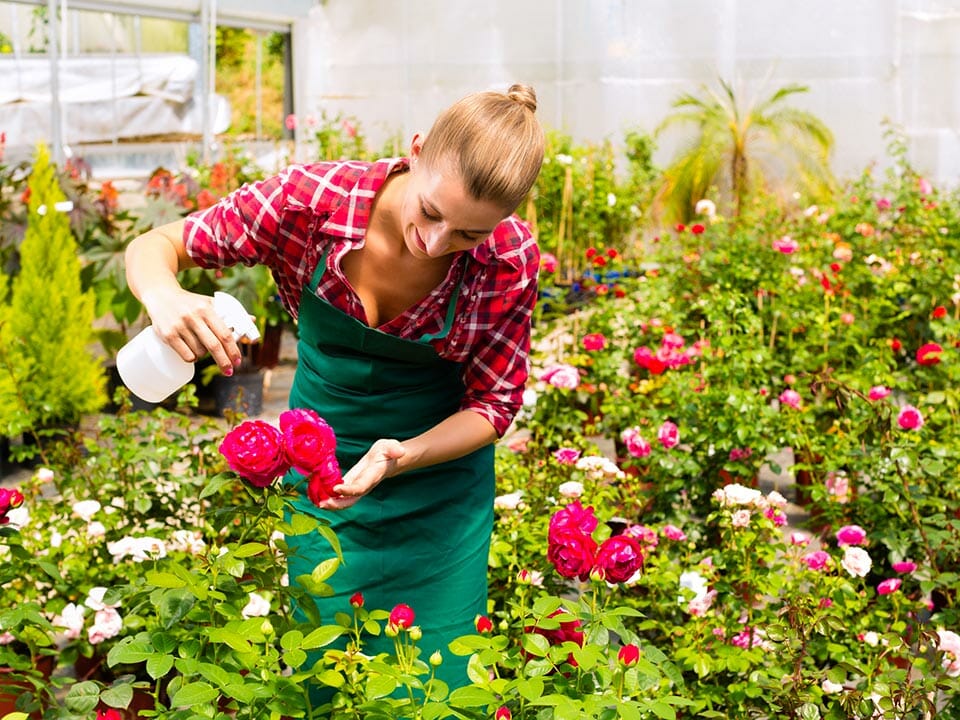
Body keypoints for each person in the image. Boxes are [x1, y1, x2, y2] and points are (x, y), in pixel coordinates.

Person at [124, 83, 545, 697]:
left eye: (466, 236)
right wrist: (164, 296)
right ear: (417, 150)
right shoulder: (311, 203)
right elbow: (157, 245)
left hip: (437, 498)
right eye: (430, 212)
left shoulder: (509, 261)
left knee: (441, 690)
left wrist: (405, 455)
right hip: (319, 484)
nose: (434, 242)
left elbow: (494, 402)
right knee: (328, 680)